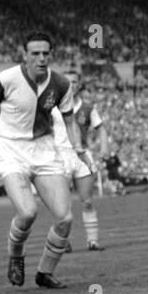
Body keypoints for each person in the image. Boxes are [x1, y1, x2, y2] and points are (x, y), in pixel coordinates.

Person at [0, 33, 80, 288]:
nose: (41, 58)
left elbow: (70, 120)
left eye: (45, 53)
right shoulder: (6, 79)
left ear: (51, 55)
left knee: (65, 218)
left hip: (44, 150)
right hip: (11, 150)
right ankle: (16, 256)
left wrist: (77, 148)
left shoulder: (61, 83)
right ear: (24, 55)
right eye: (35, 53)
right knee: (28, 212)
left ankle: (44, 273)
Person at [52, 70, 109, 250]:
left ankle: (92, 241)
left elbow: (101, 128)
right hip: (59, 157)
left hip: (82, 155)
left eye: (75, 82)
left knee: (87, 201)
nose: (71, 85)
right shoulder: (51, 107)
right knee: (62, 204)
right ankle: (63, 241)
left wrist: (104, 147)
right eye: (68, 82)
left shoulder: (87, 108)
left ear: (79, 84)